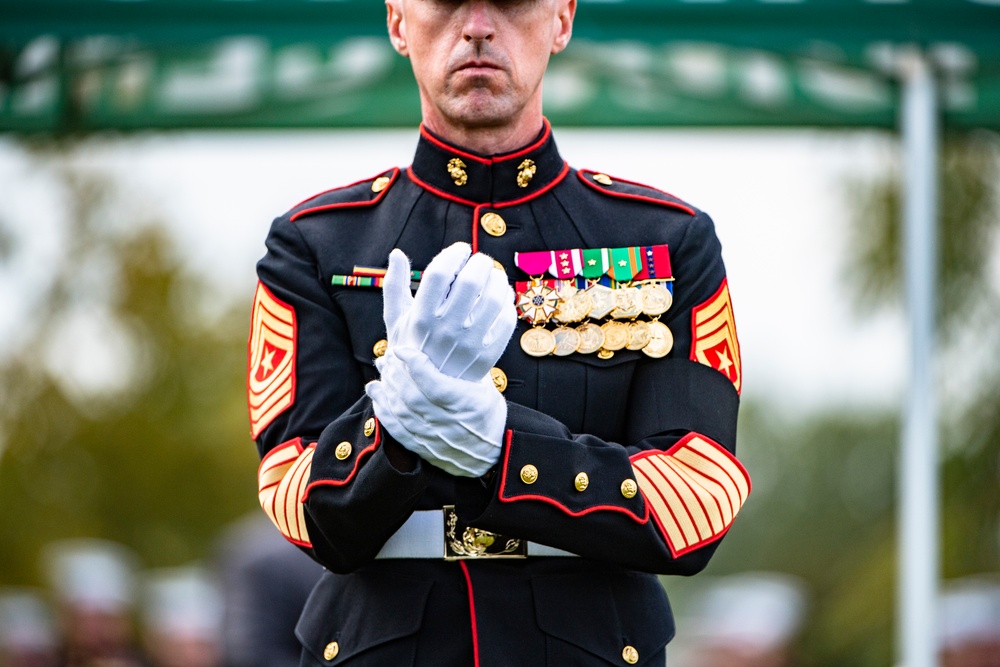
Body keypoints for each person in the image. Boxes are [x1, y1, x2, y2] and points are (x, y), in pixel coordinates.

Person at [248, 0, 751, 664]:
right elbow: (296, 496)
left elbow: (697, 494)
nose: (478, 24)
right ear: (398, 20)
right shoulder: (316, 244)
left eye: (512, 2)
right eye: (446, 2)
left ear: (563, 19)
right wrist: (389, 435)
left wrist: (504, 449)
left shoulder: (664, 240)